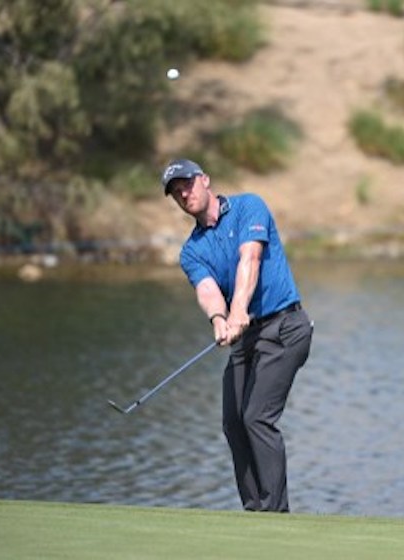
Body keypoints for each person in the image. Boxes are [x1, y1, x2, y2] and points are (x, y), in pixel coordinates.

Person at [161, 158, 313, 512]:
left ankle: (275, 512)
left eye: (187, 184)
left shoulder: (248, 206)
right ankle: (254, 509)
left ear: (204, 180)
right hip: (247, 338)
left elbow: (251, 259)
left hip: (285, 328)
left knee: (256, 416)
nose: (184, 194)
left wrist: (239, 308)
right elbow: (207, 289)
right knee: (233, 421)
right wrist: (218, 318)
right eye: (175, 192)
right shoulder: (192, 250)